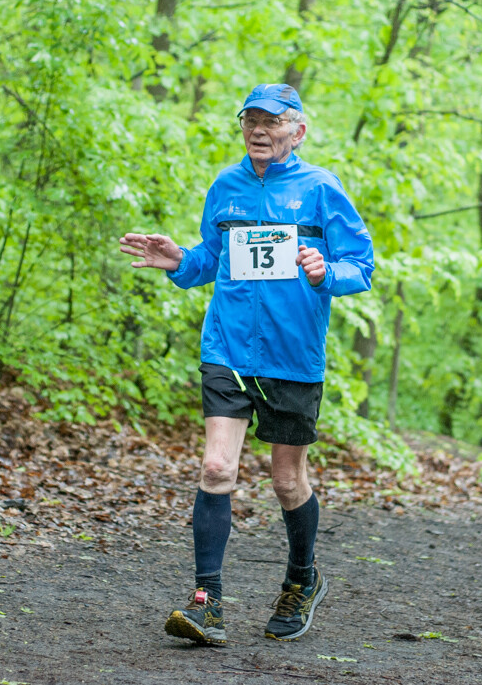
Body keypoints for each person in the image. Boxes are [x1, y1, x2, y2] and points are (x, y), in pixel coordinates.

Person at [119, 83, 374, 646]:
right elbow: (212, 259)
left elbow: (362, 264)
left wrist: (324, 271)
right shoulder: (227, 186)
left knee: (287, 480)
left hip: (292, 355)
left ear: (298, 130)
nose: (258, 130)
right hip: (229, 349)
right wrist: (180, 260)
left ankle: (302, 579)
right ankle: (206, 603)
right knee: (216, 469)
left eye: (271, 122)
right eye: (249, 121)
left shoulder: (321, 188)